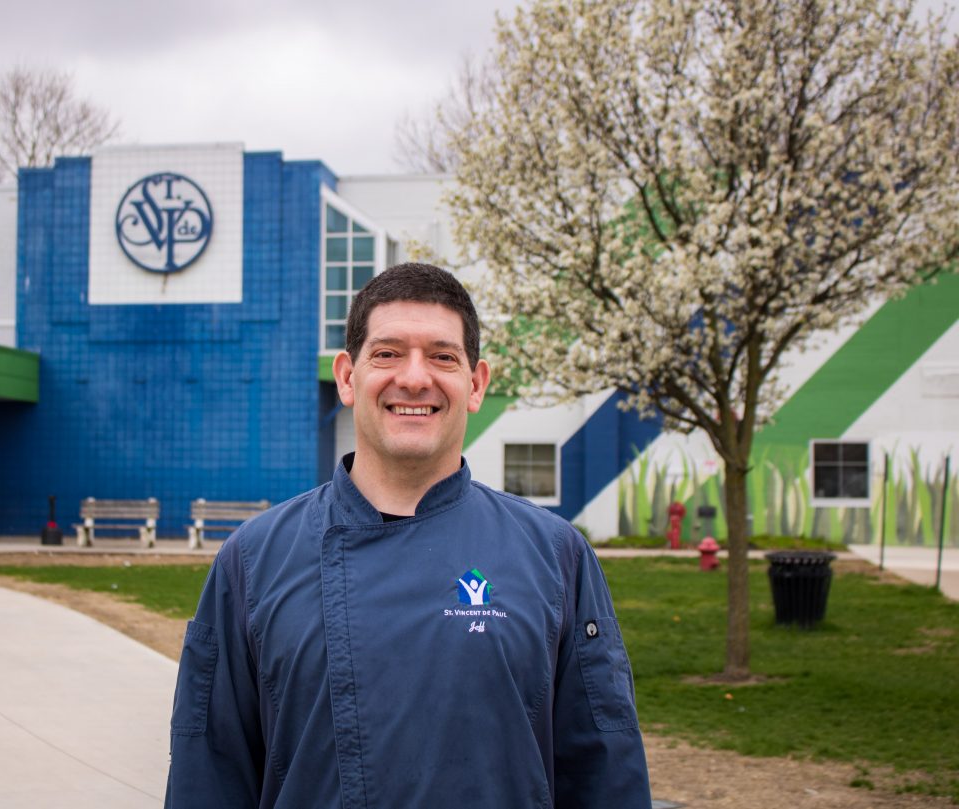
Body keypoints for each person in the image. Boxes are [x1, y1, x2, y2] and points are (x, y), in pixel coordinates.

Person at [165, 263, 651, 808]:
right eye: (388, 353)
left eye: (443, 356)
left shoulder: (556, 555)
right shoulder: (251, 562)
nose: (415, 378)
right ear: (348, 378)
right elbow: (208, 776)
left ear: (475, 384)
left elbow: (605, 775)